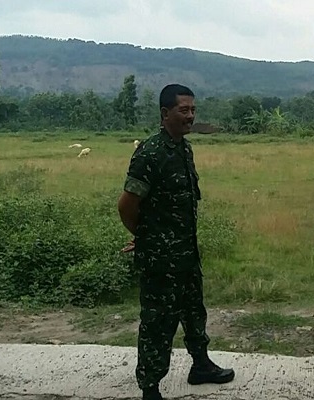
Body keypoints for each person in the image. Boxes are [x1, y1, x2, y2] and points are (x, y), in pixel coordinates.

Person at [117, 84, 234, 400]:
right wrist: (143, 237)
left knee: (194, 312)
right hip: (161, 259)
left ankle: (201, 365)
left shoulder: (183, 149)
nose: (190, 116)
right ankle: (150, 387)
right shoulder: (150, 153)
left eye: (193, 110)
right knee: (158, 322)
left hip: (186, 253)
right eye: (184, 110)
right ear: (165, 113)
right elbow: (126, 204)